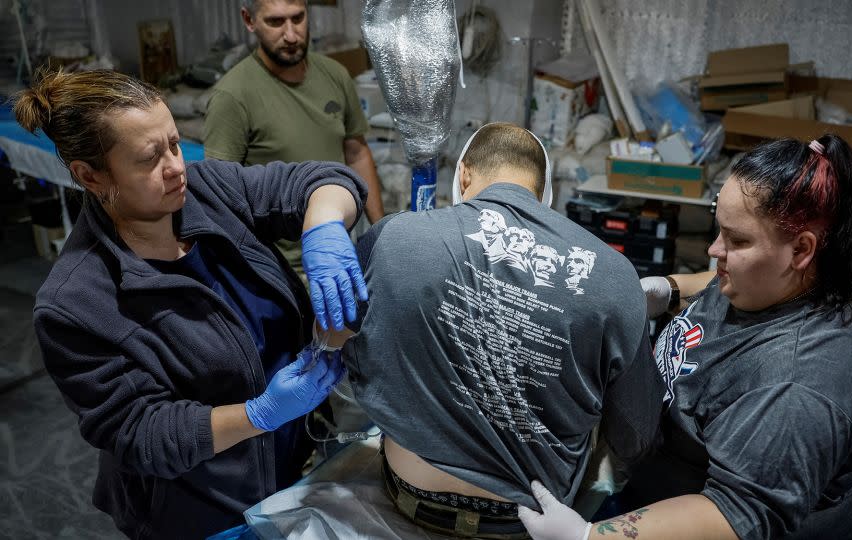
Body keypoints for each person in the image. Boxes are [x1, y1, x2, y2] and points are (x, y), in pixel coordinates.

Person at [16, 69, 369, 539]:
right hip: (204, 509)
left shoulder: (210, 191)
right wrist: (259, 414)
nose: (176, 167)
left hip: (295, 469)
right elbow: (143, 434)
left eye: (175, 144)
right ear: (90, 175)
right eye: (149, 159)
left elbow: (322, 180)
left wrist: (323, 225)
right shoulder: (75, 304)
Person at [518, 135, 852, 540]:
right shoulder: (799, 277)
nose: (715, 250)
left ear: (802, 249)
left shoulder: (798, 389)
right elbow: (719, 280)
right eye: (719, 231)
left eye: (738, 240)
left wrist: (589, 538)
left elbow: (733, 516)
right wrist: (671, 289)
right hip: (656, 478)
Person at [339, 123, 665, 538]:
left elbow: (342, 339)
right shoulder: (614, 276)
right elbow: (637, 432)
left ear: (464, 176)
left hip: (410, 494)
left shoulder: (393, 237)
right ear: (545, 193)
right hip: (529, 520)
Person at [204, 0, 385, 278]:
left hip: (337, 254)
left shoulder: (334, 75)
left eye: (298, 18)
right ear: (249, 21)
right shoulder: (232, 96)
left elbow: (356, 153)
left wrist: (380, 234)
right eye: (275, 22)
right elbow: (218, 195)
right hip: (277, 270)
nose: (291, 34)